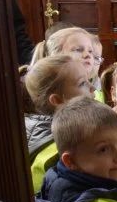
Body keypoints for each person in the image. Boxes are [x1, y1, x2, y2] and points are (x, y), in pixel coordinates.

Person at [24, 54, 97, 192]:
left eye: (90, 80)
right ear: (57, 101)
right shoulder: (61, 150)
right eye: (82, 83)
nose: (93, 88)